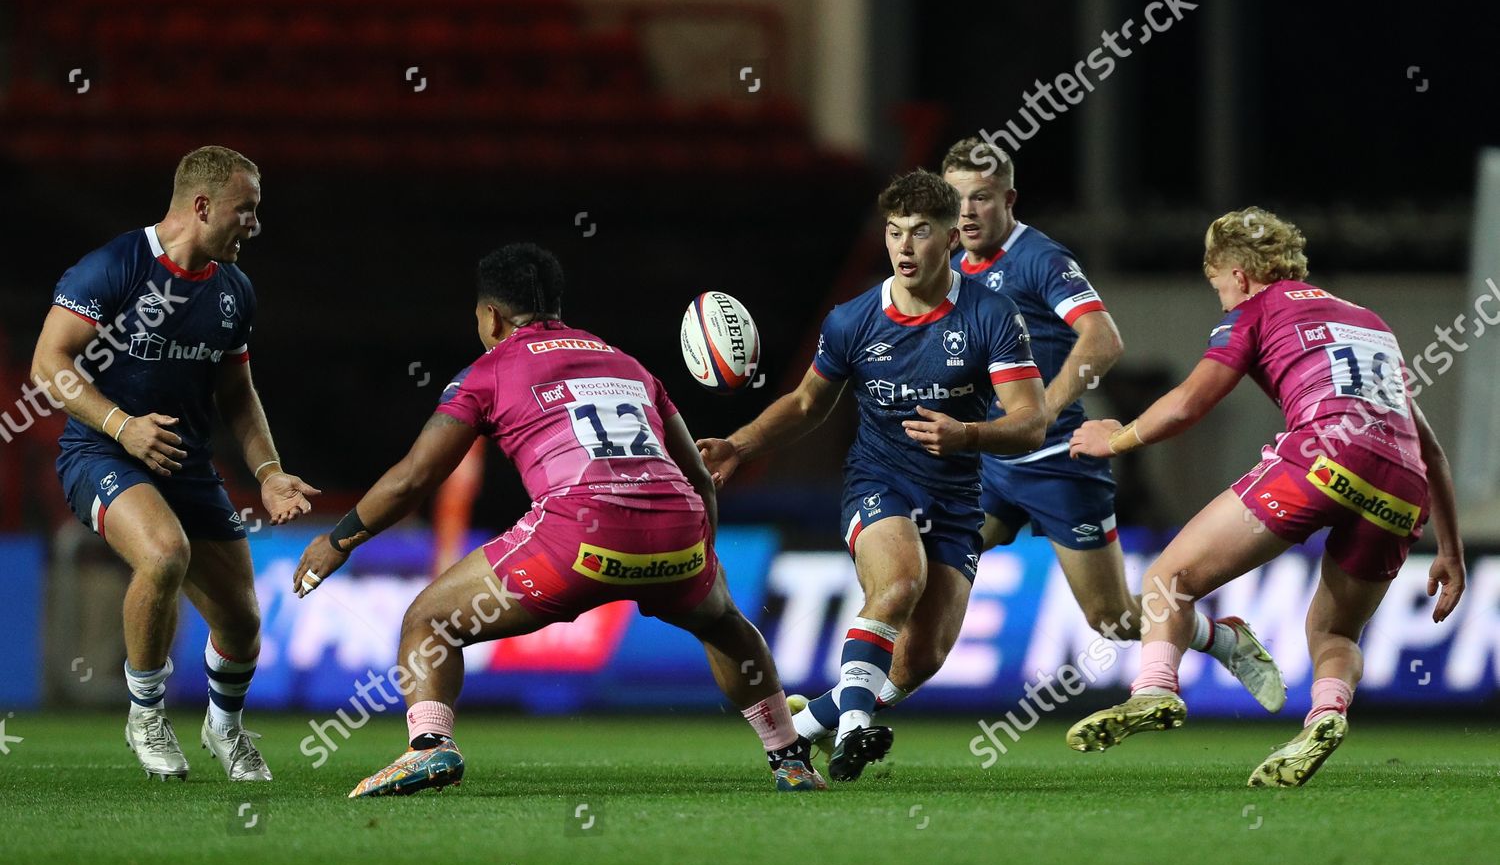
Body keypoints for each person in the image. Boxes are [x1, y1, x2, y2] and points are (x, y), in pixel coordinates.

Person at [293, 243, 824, 797]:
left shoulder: (490, 370)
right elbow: (696, 475)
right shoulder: (627, 364)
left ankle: (430, 748)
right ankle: (788, 759)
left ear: (491, 316)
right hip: (677, 532)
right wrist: (703, 560)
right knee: (726, 625)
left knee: (429, 620)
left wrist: (339, 540)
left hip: (577, 539)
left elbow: (413, 479)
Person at [1065, 207, 1466, 787]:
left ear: (1238, 273)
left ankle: (1153, 689)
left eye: (1217, 285)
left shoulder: (1255, 309)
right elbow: (1429, 448)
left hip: (1326, 456)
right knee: (1335, 633)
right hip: (1403, 485)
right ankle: (1326, 714)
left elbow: (1188, 403)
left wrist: (1119, 436)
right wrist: (1449, 551)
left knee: (1167, 580)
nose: (1220, 298)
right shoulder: (1368, 321)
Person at [698, 171, 1047, 780]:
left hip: (958, 496)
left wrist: (968, 434)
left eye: (919, 233)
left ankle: (809, 724)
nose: (905, 248)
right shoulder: (853, 320)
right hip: (879, 482)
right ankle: (855, 730)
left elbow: (1031, 422)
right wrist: (737, 445)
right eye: (894, 234)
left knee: (921, 660)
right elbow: (807, 404)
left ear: (951, 239)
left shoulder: (992, 315)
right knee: (898, 583)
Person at [938, 136, 1284, 711]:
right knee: (934, 561)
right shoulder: (951, 270)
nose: (967, 212)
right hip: (990, 463)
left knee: (1113, 619)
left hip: (1057, 464)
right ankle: (852, 701)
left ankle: (1224, 639)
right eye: (956, 200)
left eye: (981, 198)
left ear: (1009, 199)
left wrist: (1042, 410)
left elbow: (1104, 339)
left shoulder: (1041, 259)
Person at [31, 146, 318, 781]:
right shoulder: (113, 267)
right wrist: (120, 425)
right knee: (164, 553)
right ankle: (147, 713)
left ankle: (226, 726)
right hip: (100, 450)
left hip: (185, 463)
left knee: (242, 622)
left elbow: (238, 397)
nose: (255, 224)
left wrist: (269, 473)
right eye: (246, 211)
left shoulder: (233, 291)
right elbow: (48, 364)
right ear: (201, 205)